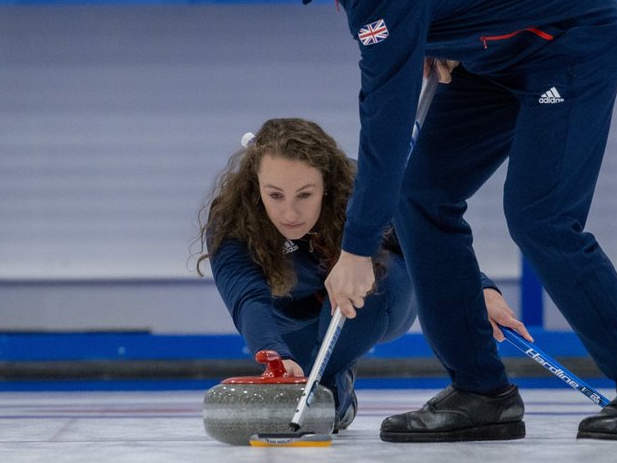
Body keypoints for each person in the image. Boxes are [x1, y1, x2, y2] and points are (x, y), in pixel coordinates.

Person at [209, 0, 617, 443]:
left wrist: (357, 249)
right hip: (491, 55)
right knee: (421, 199)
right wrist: (440, 26)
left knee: (541, 218)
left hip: (568, 41)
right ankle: (481, 393)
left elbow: (383, 123)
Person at [195, 117, 528, 432]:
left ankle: (328, 384)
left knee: (373, 282)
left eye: (305, 194)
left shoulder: (363, 193)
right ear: (256, 187)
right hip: (295, 318)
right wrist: (275, 355)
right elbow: (247, 297)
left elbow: (427, 244)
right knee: (303, 373)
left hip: (382, 295)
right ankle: (336, 387)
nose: (290, 213)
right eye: (275, 195)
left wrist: (479, 289)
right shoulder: (232, 219)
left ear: (327, 184)